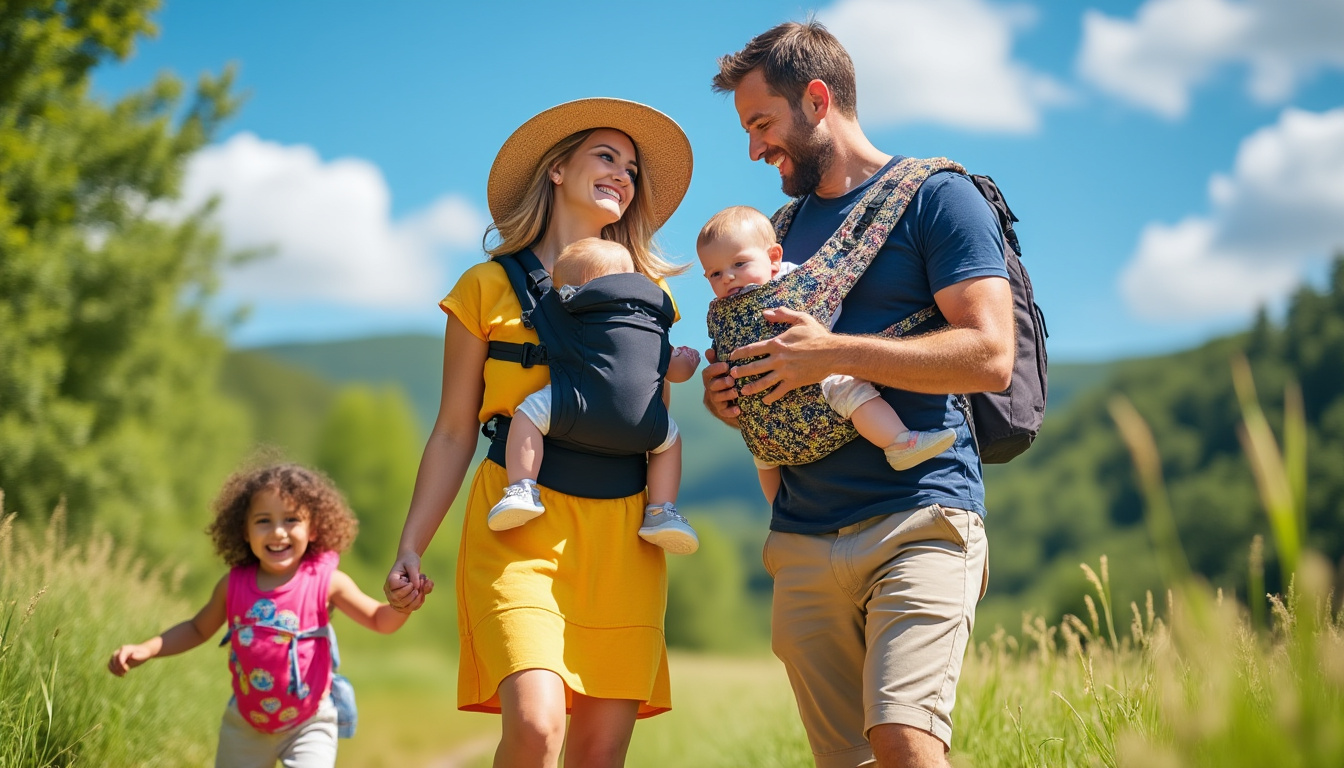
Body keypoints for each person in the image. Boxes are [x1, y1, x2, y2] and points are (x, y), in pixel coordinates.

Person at [704, 22, 1013, 768]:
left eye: (762, 124)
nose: (754, 149)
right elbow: (773, 376)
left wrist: (833, 353)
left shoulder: (939, 199)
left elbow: (991, 355)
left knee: (905, 742)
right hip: (803, 537)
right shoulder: (771, 236)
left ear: (817, 100)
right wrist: (730, 395)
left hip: (920, 517)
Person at [383, 98, 693, 768]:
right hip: (517, 526)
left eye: (632, 168)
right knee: (536, 724)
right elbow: (451, 433)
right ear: (557, 170)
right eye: (605, 157)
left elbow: (651, 423)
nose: (623, 176)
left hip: (623, 538)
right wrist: (411, 544)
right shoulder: (485, 286)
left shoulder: (654, 300)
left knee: (599, 751)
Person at [108, 463, 420, 768]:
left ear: (313, 528)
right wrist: (147, 649)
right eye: (263, 521)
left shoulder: (326, 582)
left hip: (309, 722)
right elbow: (196, 629)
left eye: (291, 519)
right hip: (245, 725)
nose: (278, 531)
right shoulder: (232, 586)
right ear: (244, 530)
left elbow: (380, 620)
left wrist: (402, 605)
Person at [697, 205, 957, 503]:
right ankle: (779, 508)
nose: (727, 278)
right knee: (762, 454)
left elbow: (825, 301)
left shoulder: (793, 279)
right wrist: (720, 391)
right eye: (715, 273)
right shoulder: (720, 313)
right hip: (763, 408)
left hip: (816, 383)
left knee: (849, 388)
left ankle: (898, 442)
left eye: (739, 264)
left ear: (773, 259)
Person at [487, 236, 702, 554]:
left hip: (575, 406)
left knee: (528, 415)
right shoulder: (650, 318)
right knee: (669, 441)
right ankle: (661, 510)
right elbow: (677, 370)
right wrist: (689, 359)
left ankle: (522, 487)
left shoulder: (571, 309)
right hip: (643, 424)